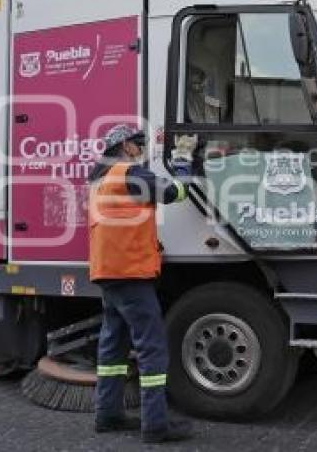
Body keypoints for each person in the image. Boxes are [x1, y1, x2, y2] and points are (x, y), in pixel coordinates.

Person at [89, 124, 194, 444]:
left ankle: (107, 415)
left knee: (113, 346)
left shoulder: (100, 179)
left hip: (108, 273)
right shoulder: (128, 174)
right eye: (138, 143)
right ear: (125, 146)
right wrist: (184, 166)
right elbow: (173, 192)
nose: (142, 148)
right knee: (152, 349)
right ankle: (156, 425)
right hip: (130, 274)